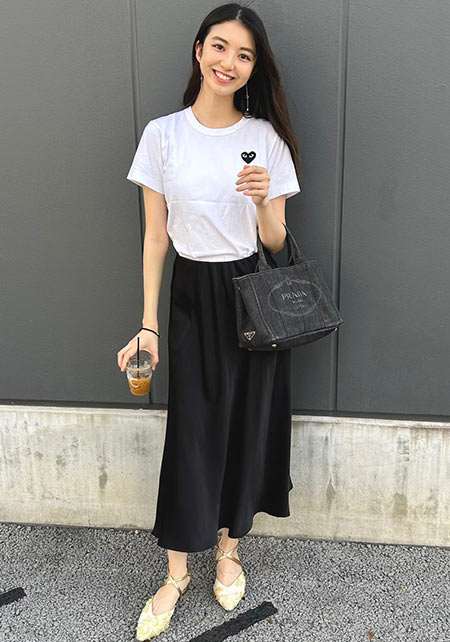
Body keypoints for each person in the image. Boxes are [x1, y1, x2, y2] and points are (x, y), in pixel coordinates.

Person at [117, 2, 302, 639]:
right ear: (199, 51)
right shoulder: (162, 135)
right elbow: (155, 239)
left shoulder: (266, 139)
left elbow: (277, 242)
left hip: (252, 292)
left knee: (246, 422)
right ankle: (176, 572)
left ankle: (229, 550)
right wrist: (148, 324)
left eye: (244, 55)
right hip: (193, 293)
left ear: (253, 68)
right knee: (191, 430)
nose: (229, 62)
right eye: (219, 47)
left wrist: (263, 202)